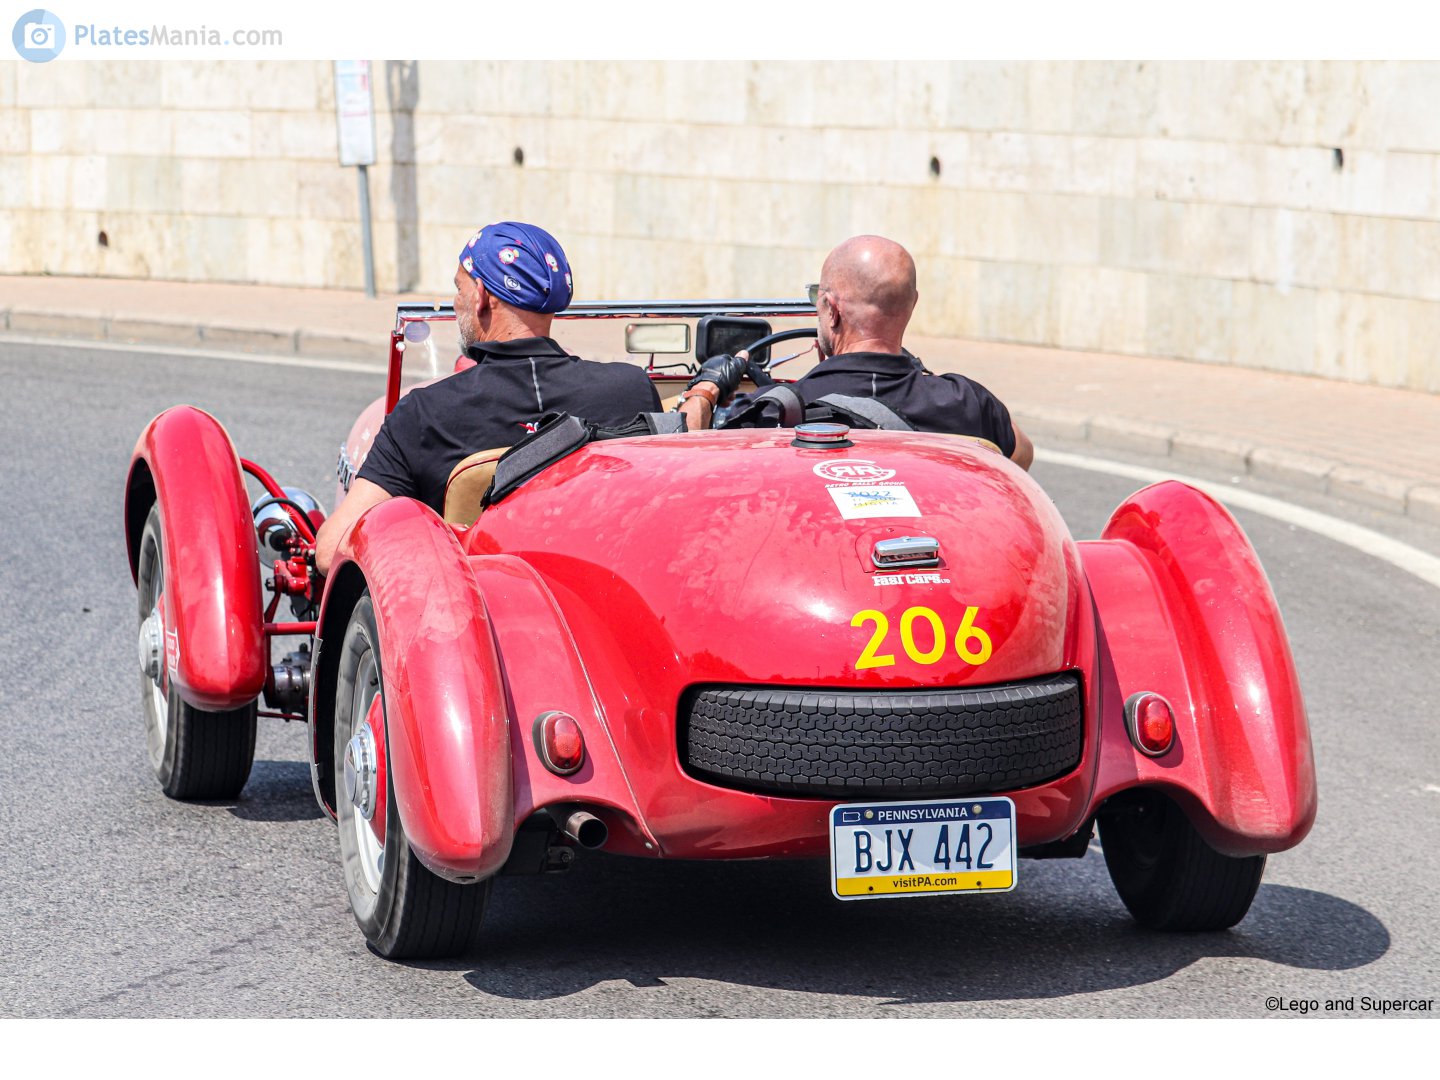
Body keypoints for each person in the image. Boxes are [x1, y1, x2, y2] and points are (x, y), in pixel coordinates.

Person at [315, 222, 661, 574]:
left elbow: (331, 551)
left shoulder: (425, 413)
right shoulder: (630, 390)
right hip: (605, 587)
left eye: (459, 288)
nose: (455, 302)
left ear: (480, 295)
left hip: (480, 598)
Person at [678, 235, 1033, 470]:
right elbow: (1021, 455)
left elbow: (684, 460)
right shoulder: (967, 402)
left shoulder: (772, 412)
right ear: (911, 306)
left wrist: (706, 389)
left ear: (832, 311)